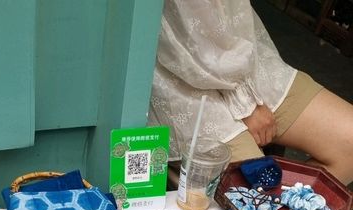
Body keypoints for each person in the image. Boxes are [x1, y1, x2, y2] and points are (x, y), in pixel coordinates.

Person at [148, 0, 353, 185]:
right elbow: (190, 21)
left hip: (244, 56)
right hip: (177, 78)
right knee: (255, 192)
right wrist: (245, 102)